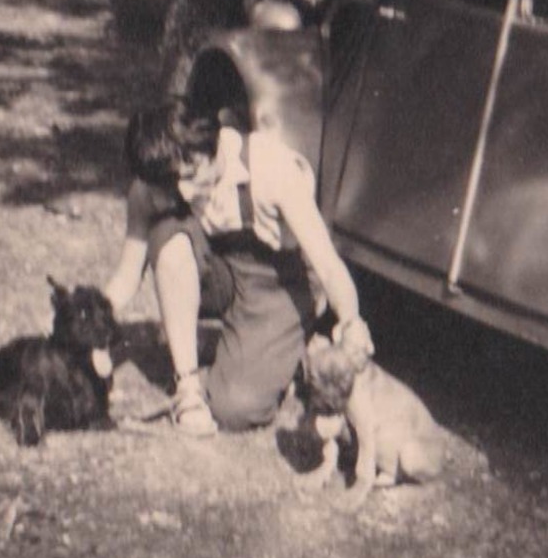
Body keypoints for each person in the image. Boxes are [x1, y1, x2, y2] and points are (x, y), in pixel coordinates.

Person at [101, 99, 374, 436]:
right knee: (168, 237)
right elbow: (127, 277)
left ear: (212, 146)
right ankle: (187, 389)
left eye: (191, 175)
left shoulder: (271, 167)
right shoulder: (154, 185)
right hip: (220, 275)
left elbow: (329, 267)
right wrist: (82, 325)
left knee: (234, 408)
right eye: (173, 182)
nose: (184, 190)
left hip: (276, 286)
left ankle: (291, 348)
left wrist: (351, 322)